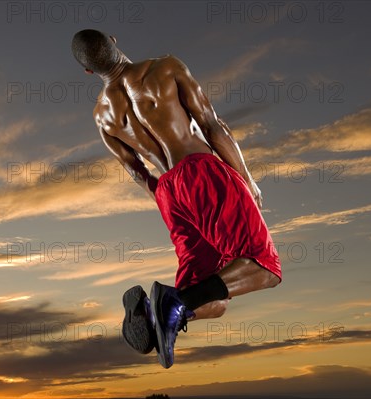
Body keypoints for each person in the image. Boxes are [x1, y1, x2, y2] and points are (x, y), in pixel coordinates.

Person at [71, 29, 282, 369]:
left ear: (88, 72)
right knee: (264, 267)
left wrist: (173, 202)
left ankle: (154, 315)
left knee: (216, 296)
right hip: (200, 172)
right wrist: (247, 180)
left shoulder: (102, 116)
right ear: (114, 39)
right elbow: (213, 126)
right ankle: (172, 302)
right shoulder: (165, 68)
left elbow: (137, 172)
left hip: (167, 193)